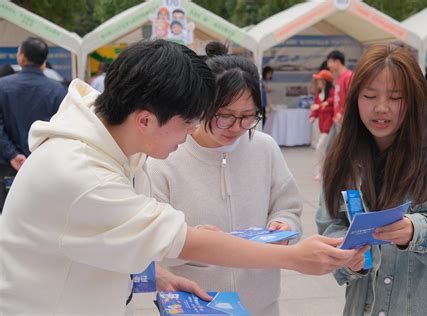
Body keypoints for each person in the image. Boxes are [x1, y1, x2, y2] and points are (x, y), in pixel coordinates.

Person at [0, 39, 363, 315]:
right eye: (188, 122)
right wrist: (296, 258)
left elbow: (105, 238)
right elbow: (185, 241)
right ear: (145, 119)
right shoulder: (82, 176)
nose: (191, 133)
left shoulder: (113, 143)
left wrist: (153, 274)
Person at [316, 44, 427, 315]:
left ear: (414, 100)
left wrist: (418, 230)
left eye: (395, 97)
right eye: (370, 95)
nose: (381, 108)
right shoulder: (343, 157)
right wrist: (350, 257)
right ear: (355, 99)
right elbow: (330, 223)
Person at [146, 48, 302, 315]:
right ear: (201, 105)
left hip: (261, 303)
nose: (236, 127)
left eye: (248, 116)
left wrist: (284, 226)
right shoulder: (165, 157)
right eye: (225, 115)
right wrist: (192, 242)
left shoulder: (265, 148)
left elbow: (287, 207)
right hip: (193, 304)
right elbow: (149, 240)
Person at [0, 37, 66, 213]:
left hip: (9, 166)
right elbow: (64, 129)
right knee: (42, 215)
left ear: (21, 57)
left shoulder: (2, 86)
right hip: (46, 167)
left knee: (9, 215)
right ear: (44, 62)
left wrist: (12, 154)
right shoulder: (58, 90)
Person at [308, 69, 335, 181]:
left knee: (320, 148)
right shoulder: (319, 94)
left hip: (330, 126)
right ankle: (325, 170)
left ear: (324, 81)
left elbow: (332, 104)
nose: (317, 82)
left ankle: (322, 171)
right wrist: (313, 115)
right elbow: (316, 107)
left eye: (319, 80)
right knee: (324, 149)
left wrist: (320, 106)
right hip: (322, 125)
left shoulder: (332, 92)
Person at [327, 50, 352, 128]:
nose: (328, 65)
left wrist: (342, 113)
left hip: (344, 119)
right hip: (338, 119)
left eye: (330, 62)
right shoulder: (339, 78)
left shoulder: (348, 76)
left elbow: (351, 97)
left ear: (337, 62)